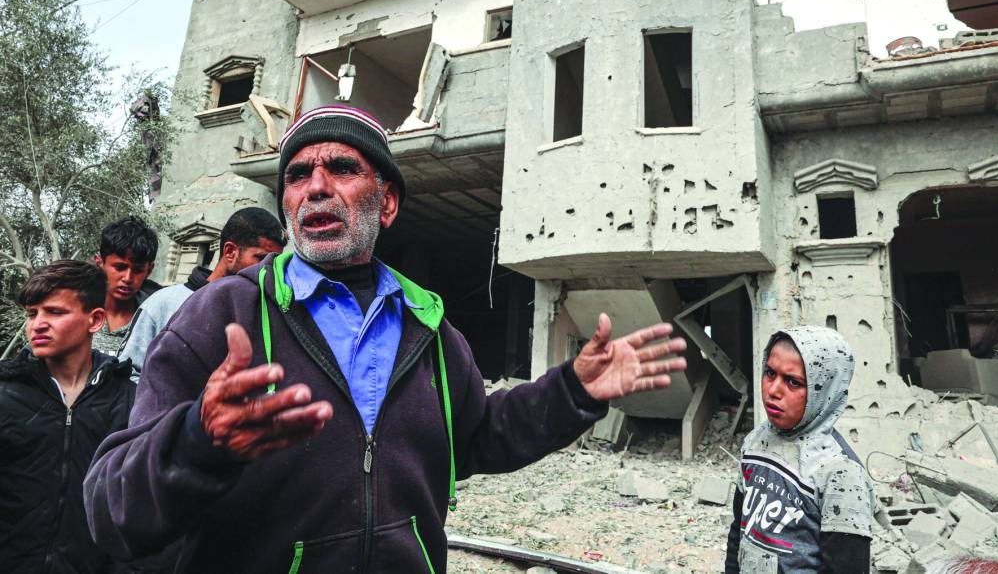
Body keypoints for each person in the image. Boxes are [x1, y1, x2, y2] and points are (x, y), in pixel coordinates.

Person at [84, 104, 689, 573]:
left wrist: (573, 393)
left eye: (342, 168)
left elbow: (478, 436)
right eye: (297, 175)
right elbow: (110, 507)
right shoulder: (222, 315)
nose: (315, 187)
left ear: (388, 201)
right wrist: (196, 440)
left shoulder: (428, 326)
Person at [0, 260, 135, 574]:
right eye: (32, 313)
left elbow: (141, 503)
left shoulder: (128, 401)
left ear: (95, 319)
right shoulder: (7, 394)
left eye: (55, 312)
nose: (38, 324)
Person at [724, 326, 874, 573]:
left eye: (793, 382)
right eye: (770, 373)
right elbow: (738, 532)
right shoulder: (755, 443)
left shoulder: (840, 473)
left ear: (824, 389)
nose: (773, 390)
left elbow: (846, 566)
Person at [118, 206, 285, 377]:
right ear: (230, 252)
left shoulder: (264, 315)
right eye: (261, 259)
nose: (268, 270)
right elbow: (127, 376)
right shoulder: (163, 305)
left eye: (274, 263)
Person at [91, 215, 160, 356]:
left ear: (149, 270)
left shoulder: (157, 321)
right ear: (100, 262)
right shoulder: (78, 310)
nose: (128, 278)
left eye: (137, 270)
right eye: (119, 267)